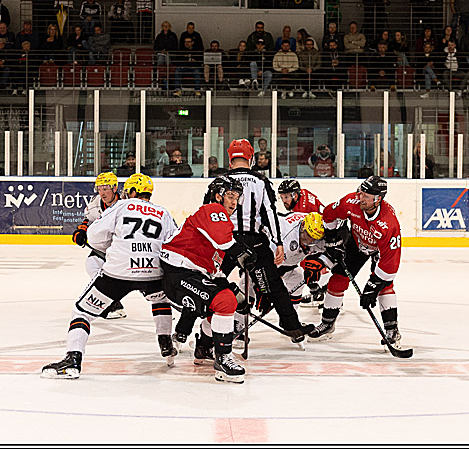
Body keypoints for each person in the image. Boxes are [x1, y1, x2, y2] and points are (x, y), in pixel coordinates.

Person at [42, 173, 179, 380]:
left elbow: (95, 236)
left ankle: (73, 360)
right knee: (160, 300)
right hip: (153, 270)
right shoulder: (163, 212)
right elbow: (174, 241)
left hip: (119, 271)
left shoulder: (120, 207)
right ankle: (165, 343)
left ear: (131, 192)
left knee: (81, 311)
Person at [212, 139, 313, 344]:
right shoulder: (261, 181)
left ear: (230, 159)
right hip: (255, 242)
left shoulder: (219, 181)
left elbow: (209, 213)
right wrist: (278, 243)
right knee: (275, 286)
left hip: (225, 241)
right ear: (250, 159)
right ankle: (293, 327)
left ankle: (202, 335)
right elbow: (270, 214)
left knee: (211, 281)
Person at [160, 175, 255, 383]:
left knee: (226, 300)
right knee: (224, 301)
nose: (234, 201)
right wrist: (241, 252)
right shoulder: (212, 210)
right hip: (178, 272)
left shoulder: (219, 222)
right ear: (217, 196)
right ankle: (223, 359)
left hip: (190, 274)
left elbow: (213, 267)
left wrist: (229, 287)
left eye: (237, 197)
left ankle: (203, 349)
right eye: (230, 195)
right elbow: (224, 243)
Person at [309, 176, 403, 345]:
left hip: (379, 251)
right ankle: (327, 323)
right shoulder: (351, 202)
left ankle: (392, 329)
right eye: (361, 193)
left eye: (366, 196)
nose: (361, 198)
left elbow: (390, 264)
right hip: (356, 242)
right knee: (337, 279)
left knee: (385, 287)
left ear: (378, 199)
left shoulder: (388, 224)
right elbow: (329, 214)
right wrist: (332, 240)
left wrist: (373, 285)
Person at [72, 172, 126, 319]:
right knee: (92, 264)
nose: (102, 193)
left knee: (141, 277)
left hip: (125, 248)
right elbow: (88, 220)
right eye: (99, 188)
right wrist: (81, 231)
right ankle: (114, 304)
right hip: (106, 247)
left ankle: (163, 304)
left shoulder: (126, 204)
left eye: (106, 188)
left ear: (115, 188)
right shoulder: (95, 202)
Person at [153, 21, 178, 92]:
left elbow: (175, 46)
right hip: (161, 53)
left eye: (167, 26)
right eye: (164, 26)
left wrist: (168, 51)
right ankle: (160, 75)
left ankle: (168, 76)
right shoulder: (159, 36)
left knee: (167, 57)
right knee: (161, 57)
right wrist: (161, 51)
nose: (166, 27)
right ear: (162, 27)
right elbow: (155, 47)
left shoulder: (173, 35)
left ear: (169, 27)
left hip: (170, 54)